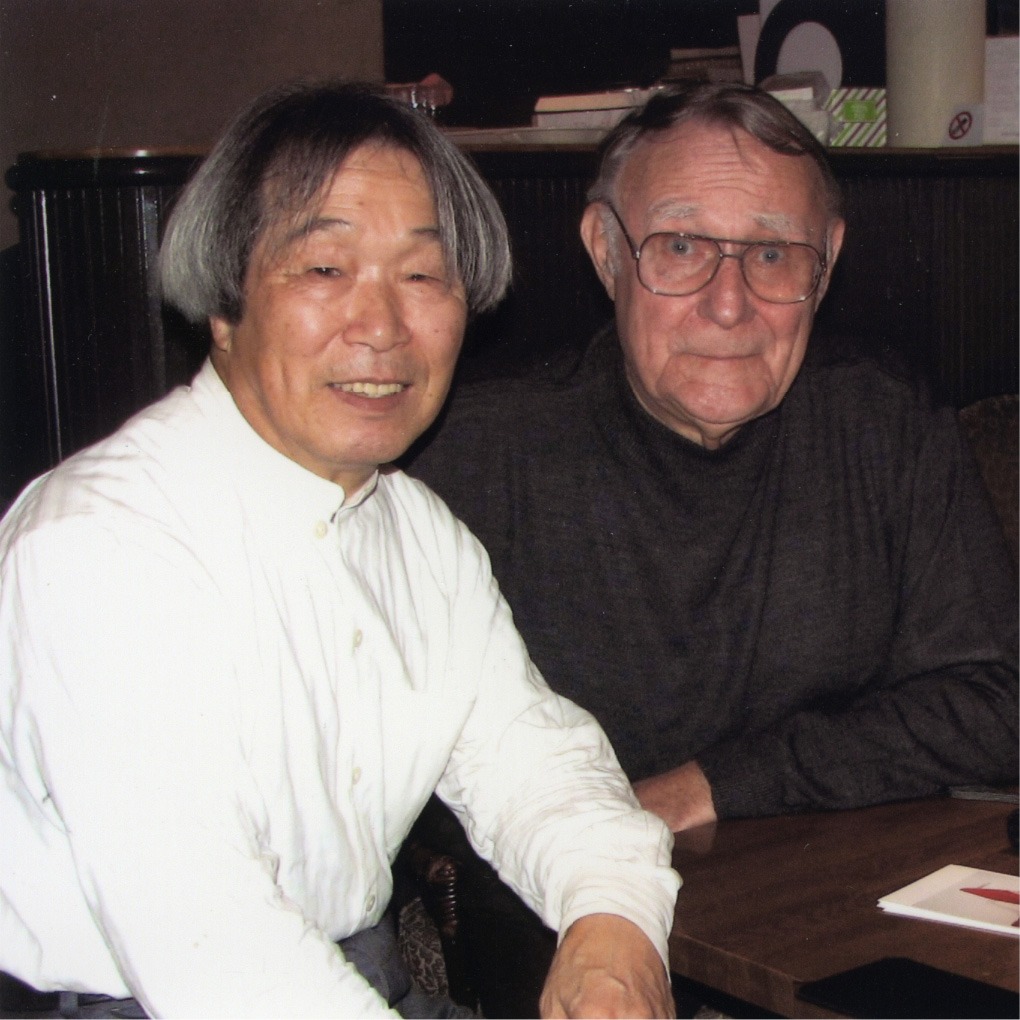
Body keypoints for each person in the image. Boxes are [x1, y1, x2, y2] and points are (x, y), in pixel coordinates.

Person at [0, 81, 681, 1020]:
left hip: (354, 976)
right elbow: (216, 952)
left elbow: (534, 762)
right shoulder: (100, 547)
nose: (383, 328)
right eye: (325, 268)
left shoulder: (418, 533)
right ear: (224, 306)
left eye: (421, 276)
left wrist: (613, 927)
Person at [406, 81, 1018, 1013]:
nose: (730, 305)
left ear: (826, 264)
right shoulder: (475, 457)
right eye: (681, 247)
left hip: (836, 932)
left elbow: (996, 702)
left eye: (772, 254)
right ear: (605, 249)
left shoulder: (879, 422)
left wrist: (712, 785)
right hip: (569, 947)